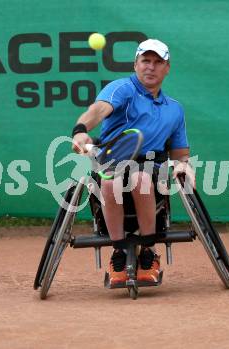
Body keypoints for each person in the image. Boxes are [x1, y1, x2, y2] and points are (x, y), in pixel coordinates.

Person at [71, 39, 194, 286]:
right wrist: (81, 130)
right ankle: (118, 252)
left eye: (158, 62)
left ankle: (148, 251)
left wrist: (184, 166)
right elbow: (99, 109)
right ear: (135, 64)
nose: (151, 67)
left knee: (140, 178)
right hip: (112, 160)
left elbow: (180, 153)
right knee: (109, 183)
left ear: (167, 68)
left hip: (152, 168)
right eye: (145, 61)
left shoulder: (174, 109)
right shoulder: (122, 88)